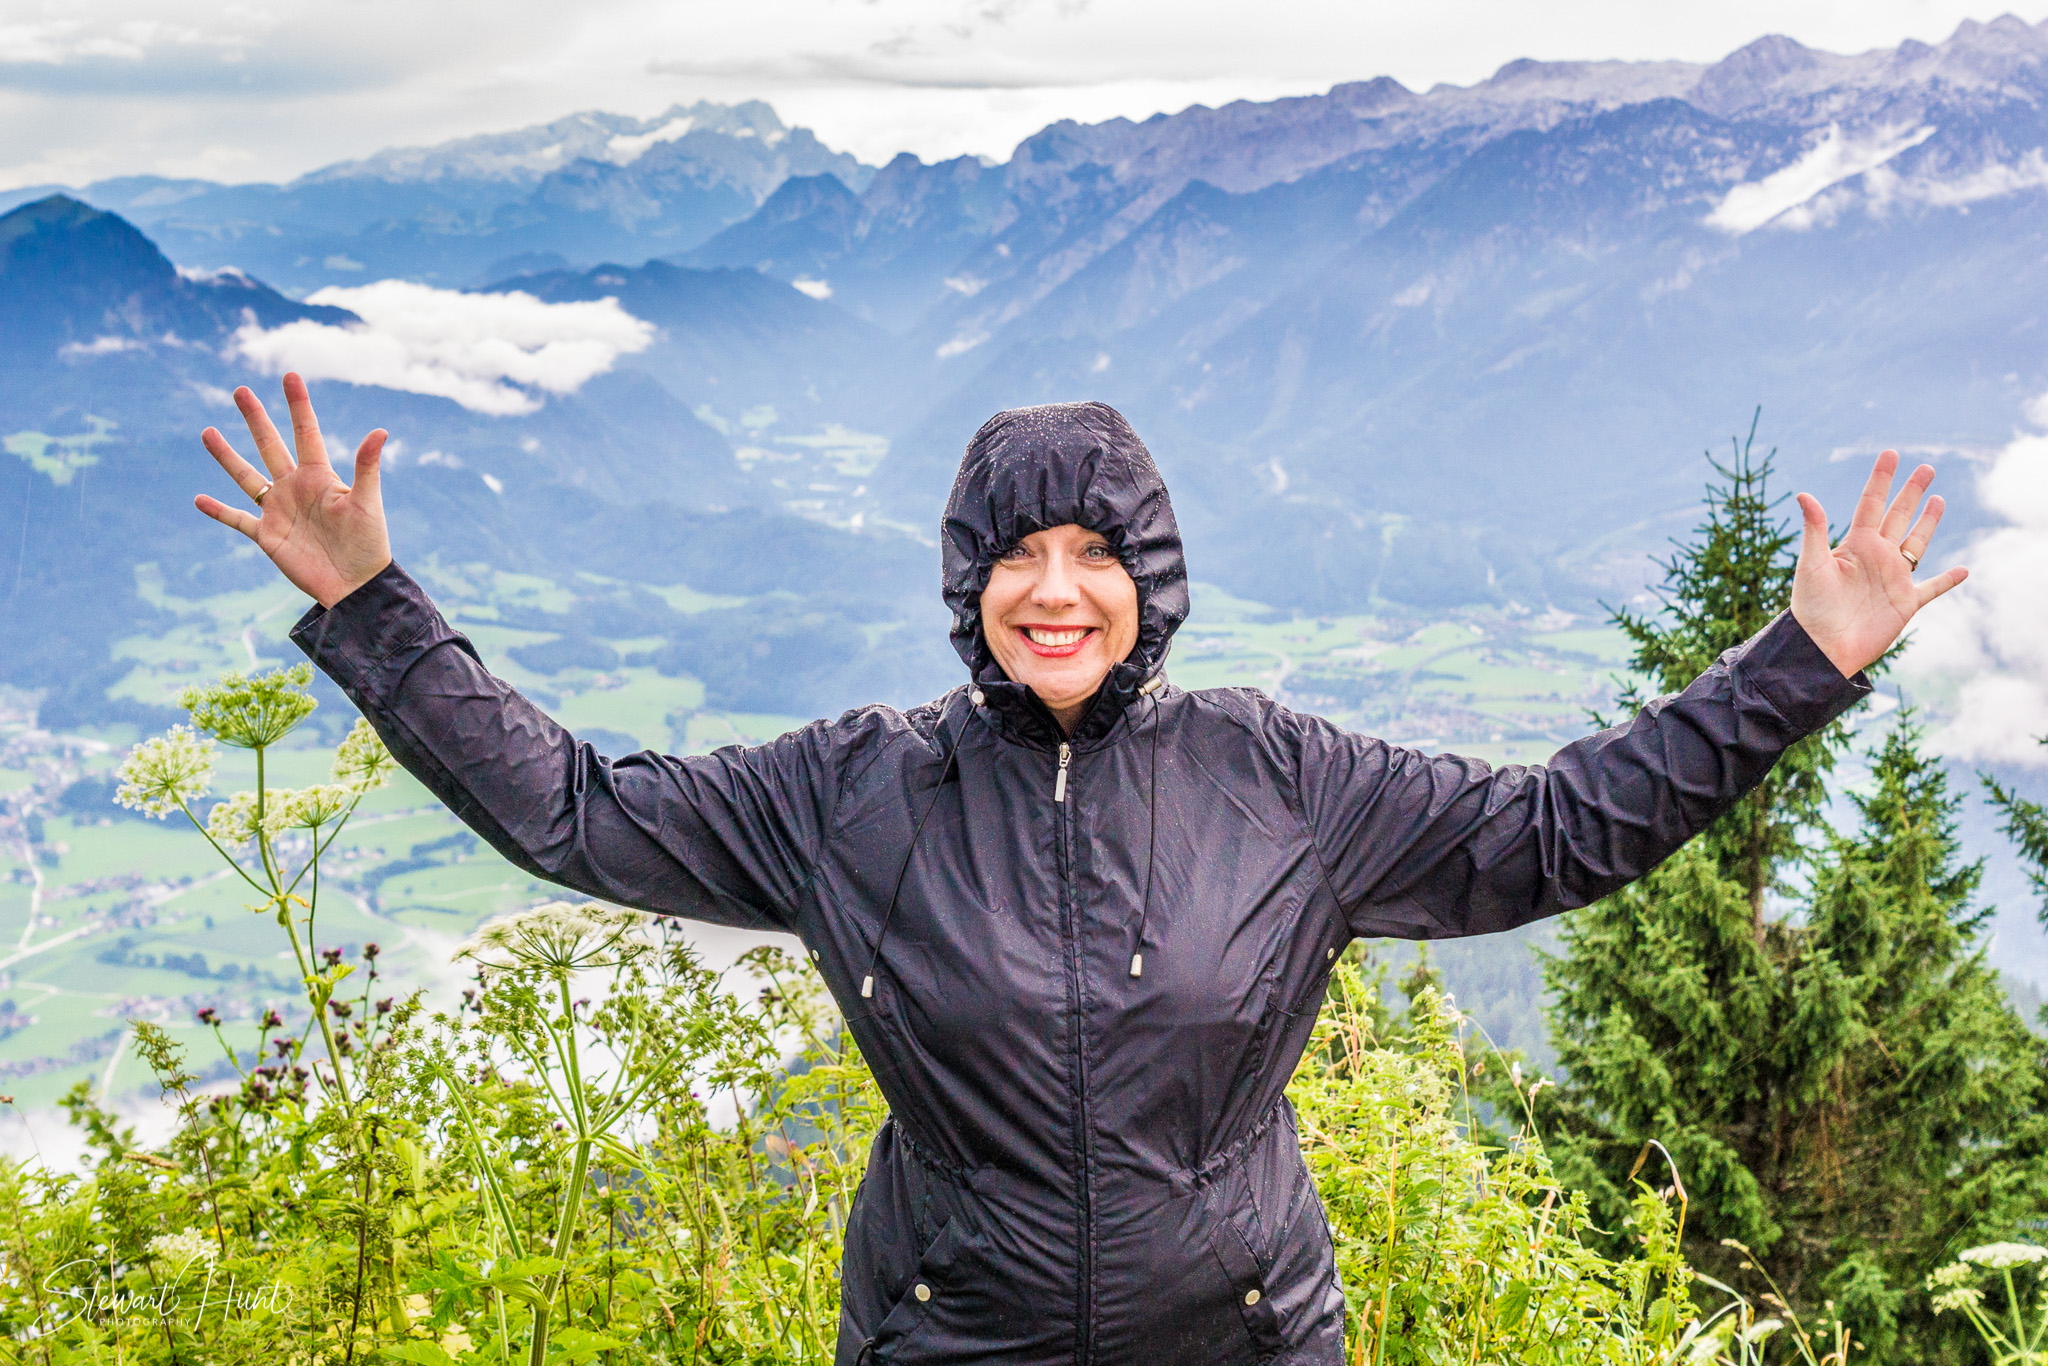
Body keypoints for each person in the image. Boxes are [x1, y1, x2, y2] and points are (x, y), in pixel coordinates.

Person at [195, 376, 1966, 1366]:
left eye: (1095, 550)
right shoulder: (850, 796)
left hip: (1250, 1341)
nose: (1056, 585)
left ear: (1151, 581)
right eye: (1018, 552)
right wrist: (371, 607)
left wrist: (1802, 659)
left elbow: (1563, 827)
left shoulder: (1285, 779)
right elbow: (573, 810)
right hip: (950, 1343)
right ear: (968, 581)